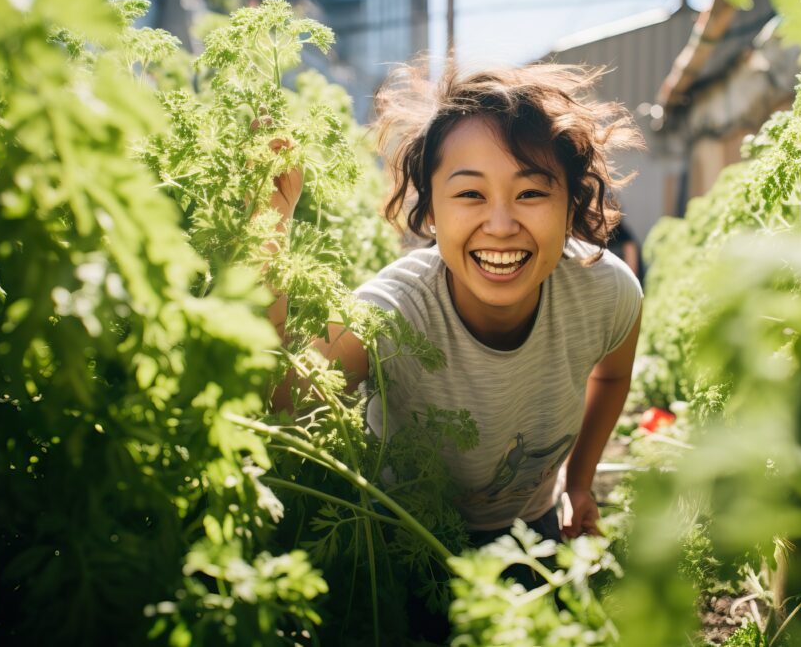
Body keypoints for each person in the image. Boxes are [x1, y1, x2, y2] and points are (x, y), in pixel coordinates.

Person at [265, 62, 644, 547]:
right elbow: (282, 399)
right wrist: (268, 230)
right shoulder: (396, 309)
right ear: (430, 211)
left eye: (530, 192)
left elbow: (611, 375)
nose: (501, 224)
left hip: (535, 529)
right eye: (470, 193)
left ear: (571, 204)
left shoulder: (606, 292)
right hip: (402, 538)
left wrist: (579, 480)